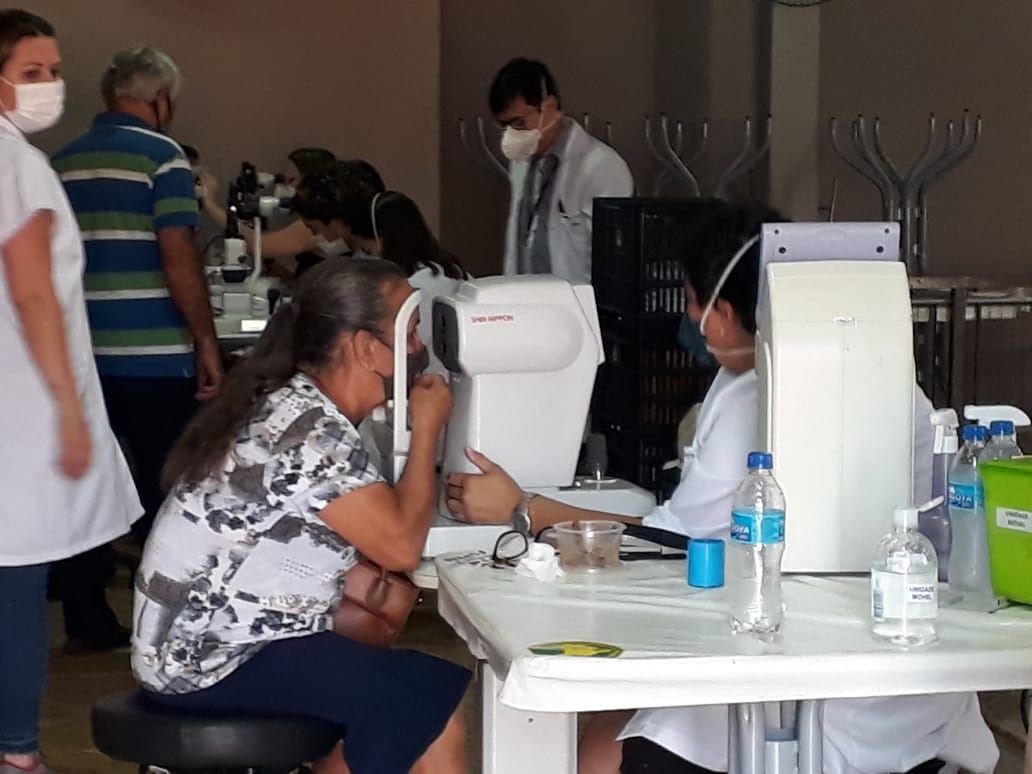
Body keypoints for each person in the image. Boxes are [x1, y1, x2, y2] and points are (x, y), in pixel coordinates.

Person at [446, 202, 998, 774]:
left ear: (728, 314)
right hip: (906, 694)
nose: (691, 317)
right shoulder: (890, 380)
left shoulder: (756, 394)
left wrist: (523, 507)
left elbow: (671, 543)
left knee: (606, 739)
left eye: (694, 300)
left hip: (809, 698)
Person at [132, 258, 469, 774]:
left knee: (416, 697)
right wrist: (427, 432)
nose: (418, 349)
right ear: (364, 348)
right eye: (409, 333)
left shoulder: (295, 404)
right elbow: (401, 546)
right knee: (423, 708)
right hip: (212, 657)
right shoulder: (310, 431)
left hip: (201, 642)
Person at [0, 9, 141, 771]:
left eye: (54, 71)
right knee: (15, 584)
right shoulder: (17, 165)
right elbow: (31, 293)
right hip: (20, 411)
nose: (49, 86)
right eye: (31, 73)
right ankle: (18, 752)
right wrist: (66, 408)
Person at [52, 44, 222, 544]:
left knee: (91, 484)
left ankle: (91, 586)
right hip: (156, 356)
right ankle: (157, 581)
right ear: (161, 99)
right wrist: (205, 341)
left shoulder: (61, 163)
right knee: (165, 480)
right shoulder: (164, 158)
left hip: (83, 353)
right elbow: (178, 257)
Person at [489, 57, 633, 285]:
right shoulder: (521, 162)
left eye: (518, 124)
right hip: (524, 296)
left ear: (549, 106)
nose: (512, 135)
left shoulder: (601, 167)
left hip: (578, 301)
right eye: (504, 126)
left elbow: (613, 260)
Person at [198, 147, 340, 276]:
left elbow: (260, 246)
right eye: (282, 179)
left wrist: (210, 203)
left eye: (290, 180)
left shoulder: (320, 224)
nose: (284, 186)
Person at [293, 157, 387, 266]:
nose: (318, 237)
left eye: (314, 230)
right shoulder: (373, 253)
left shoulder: (372, 269)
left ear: (337, 221)